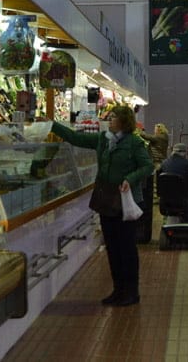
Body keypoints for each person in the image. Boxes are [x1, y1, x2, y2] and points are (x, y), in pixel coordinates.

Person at [52, 104, 153, 307]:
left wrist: (129, 179)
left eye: (113, 116)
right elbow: (76, 139)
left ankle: (131, 292)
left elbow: (147, 166)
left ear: (124, 122)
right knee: (112, 247)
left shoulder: (134, 143)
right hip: (106, 200)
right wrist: (52, 125)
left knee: (126, 248)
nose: (109, 119)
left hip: (126, 202)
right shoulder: (103, 140)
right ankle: (118, 290)